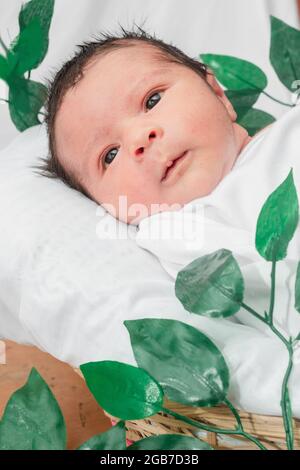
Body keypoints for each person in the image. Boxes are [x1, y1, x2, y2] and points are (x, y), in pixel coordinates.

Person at [36, 26, 259, 225]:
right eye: (110, 155)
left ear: (218, 94)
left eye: (152, 100)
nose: (139, 138)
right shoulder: (167, 244)